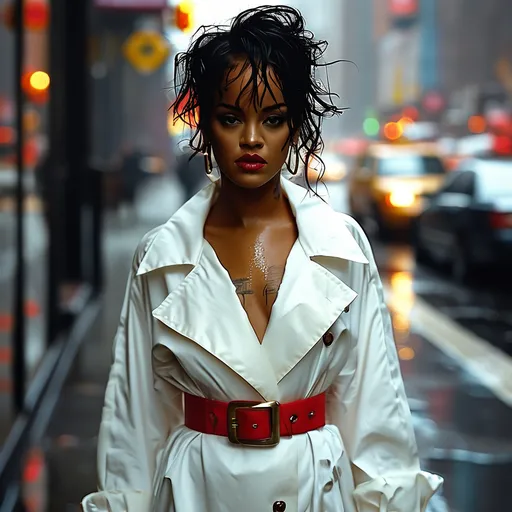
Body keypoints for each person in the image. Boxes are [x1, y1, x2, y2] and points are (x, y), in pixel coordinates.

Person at [81, 6, 442, 512]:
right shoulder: (161, 257)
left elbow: (375, 408)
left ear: (294, 126)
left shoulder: (341, 245)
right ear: (205, 123)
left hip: (313, 490)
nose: (252, 139)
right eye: (231, 118)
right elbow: (135, 421)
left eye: (272, 119)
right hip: (196, 491)